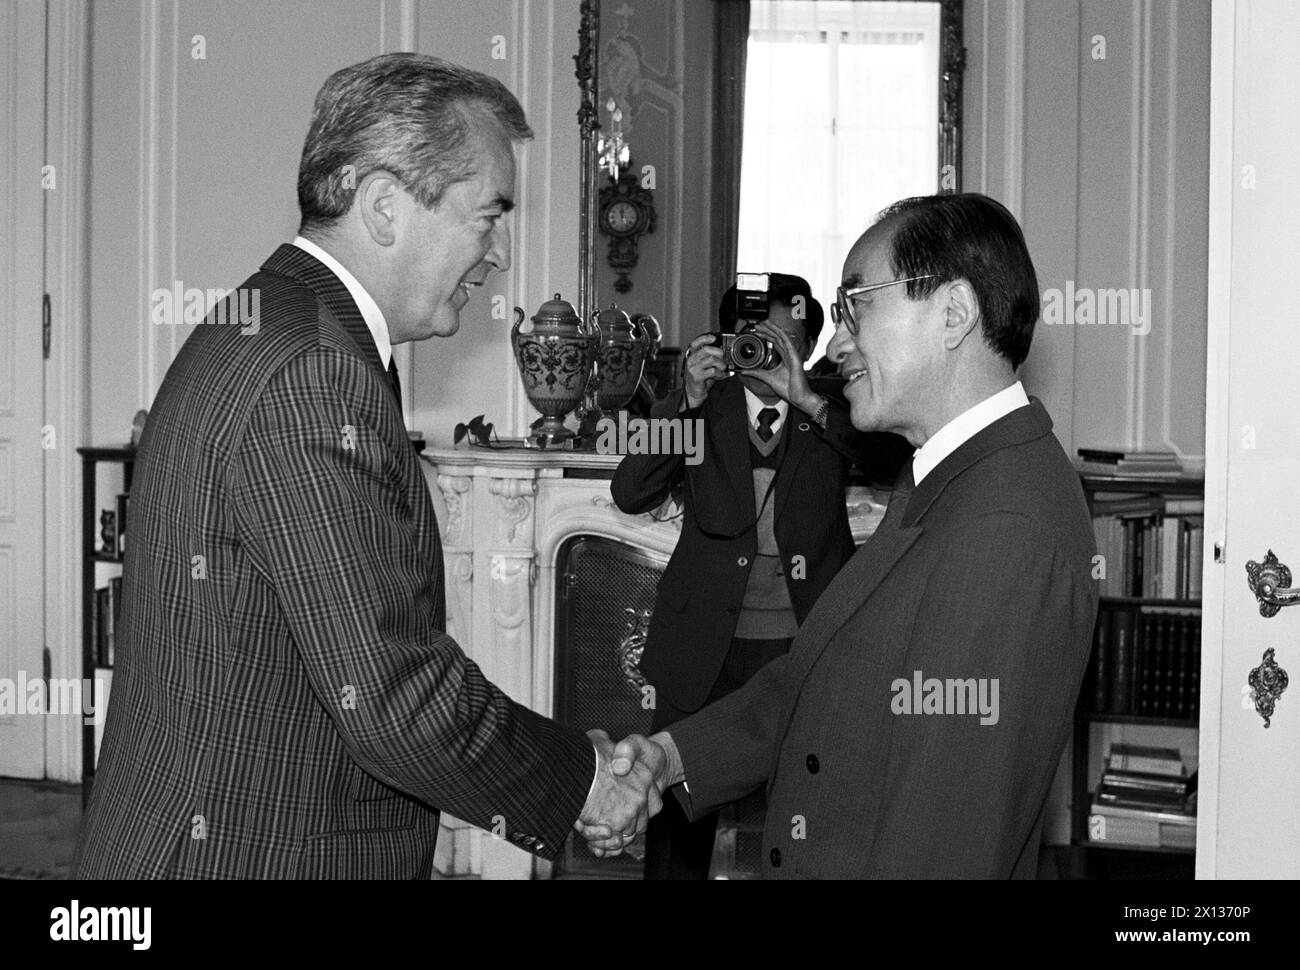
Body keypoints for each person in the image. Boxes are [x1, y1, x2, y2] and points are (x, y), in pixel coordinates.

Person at [72, 53, 656, 879]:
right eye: (489, 214)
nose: (500, 252)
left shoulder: (282, 322)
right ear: (385, 205)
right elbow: (393, 696)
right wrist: (585, 782)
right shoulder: (313, 367)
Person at [593, 193, 1101, 878]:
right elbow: (824, 679)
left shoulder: (1003, 526)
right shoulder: (945, 476)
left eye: (857, 307)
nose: (836, 342)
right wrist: (669, 758)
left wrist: (804, 395)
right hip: (706, 649)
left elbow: (938, 839)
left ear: (954, 313)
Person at [609, 274, 910, 879]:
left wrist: (807, 396)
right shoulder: (705, 407)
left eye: (784, 339)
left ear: (810, 344)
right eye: (751, 337)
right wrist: (685, 399)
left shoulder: (835, 403)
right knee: (676, 824)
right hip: (700, 646)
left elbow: (891, 464)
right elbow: (631, 490)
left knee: (805, 806)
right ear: (726, 341)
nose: (764, 351)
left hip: (806, 642)